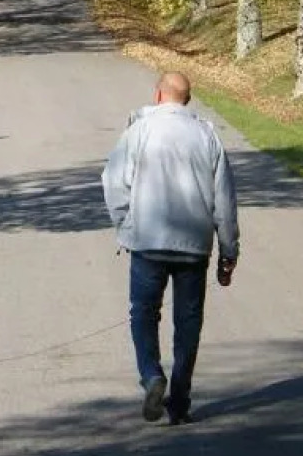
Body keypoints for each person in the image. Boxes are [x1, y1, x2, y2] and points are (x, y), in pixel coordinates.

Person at [101, 71, 239, 425]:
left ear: (158, 95)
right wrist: (229, 251)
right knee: (188, 321)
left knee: (143, 313)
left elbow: (114, 182)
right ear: (187, 100)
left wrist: (126, 226)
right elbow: (224, 200)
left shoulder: (140, 130)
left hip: (148, 240)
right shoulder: (207, 135)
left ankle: (151, 375)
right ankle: (180, 401)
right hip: (194, 245)